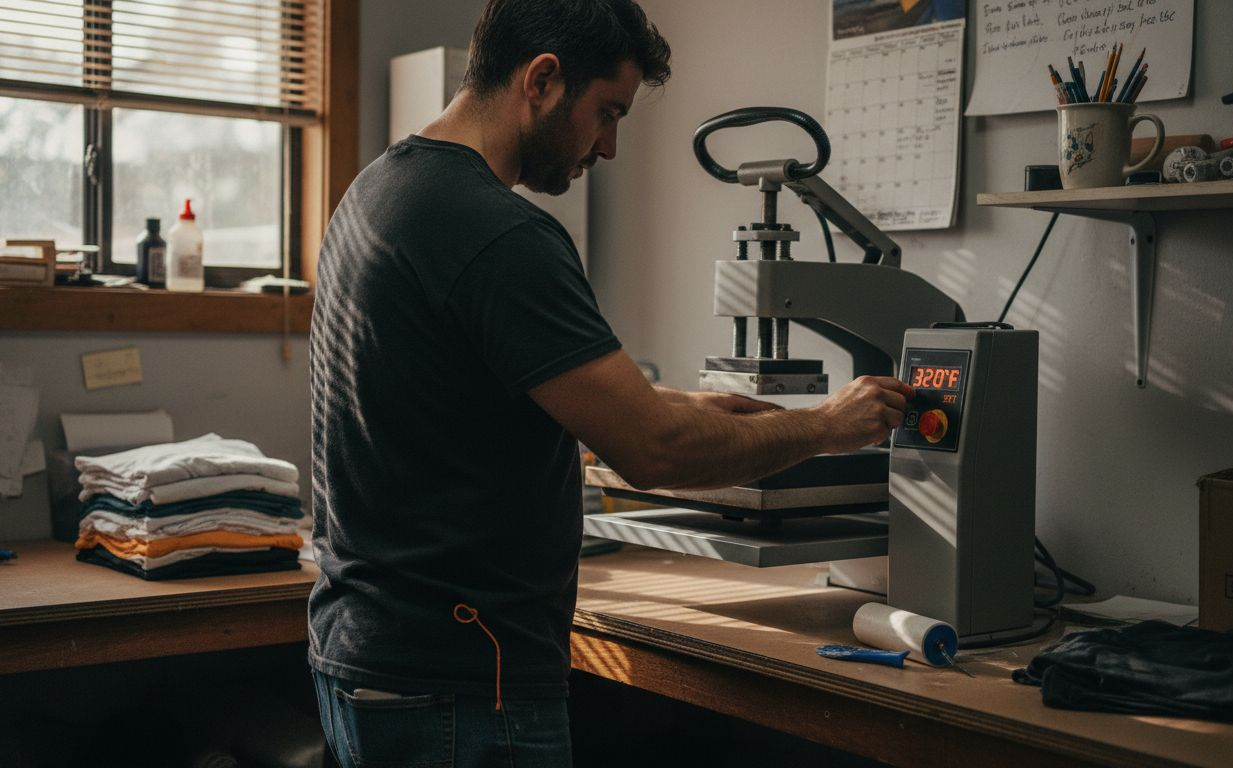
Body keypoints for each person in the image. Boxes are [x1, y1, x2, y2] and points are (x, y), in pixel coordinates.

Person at [308, 1, 916, 766]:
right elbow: (654, 454)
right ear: (542, 80)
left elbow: (475, 392)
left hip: (364, 655)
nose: (612, 147)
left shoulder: (379, 192)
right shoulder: (502, 233)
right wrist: (830, 424)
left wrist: (680, 402)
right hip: (464, 681)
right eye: (607, 113)